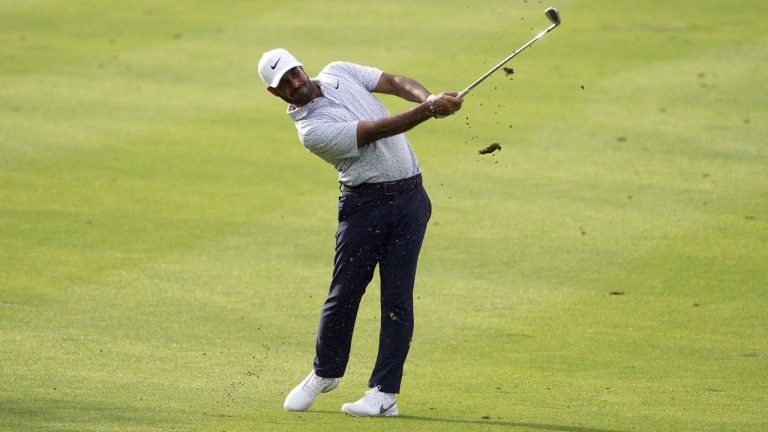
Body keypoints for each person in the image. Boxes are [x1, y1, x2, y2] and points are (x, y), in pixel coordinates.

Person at [258, 48, 463, 417]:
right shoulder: (310, 131)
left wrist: (427, 97)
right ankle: (325, 373)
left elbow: (392, 82)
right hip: (364, 207)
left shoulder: (338, 71)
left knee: (397, 299)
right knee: (343, 295)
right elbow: (375, 131)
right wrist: (429, 111)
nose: (295, 83)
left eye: (294, 73)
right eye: (284, 84)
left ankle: (384, 393)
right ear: (275, 94)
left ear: (301, 66)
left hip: (411, 199)